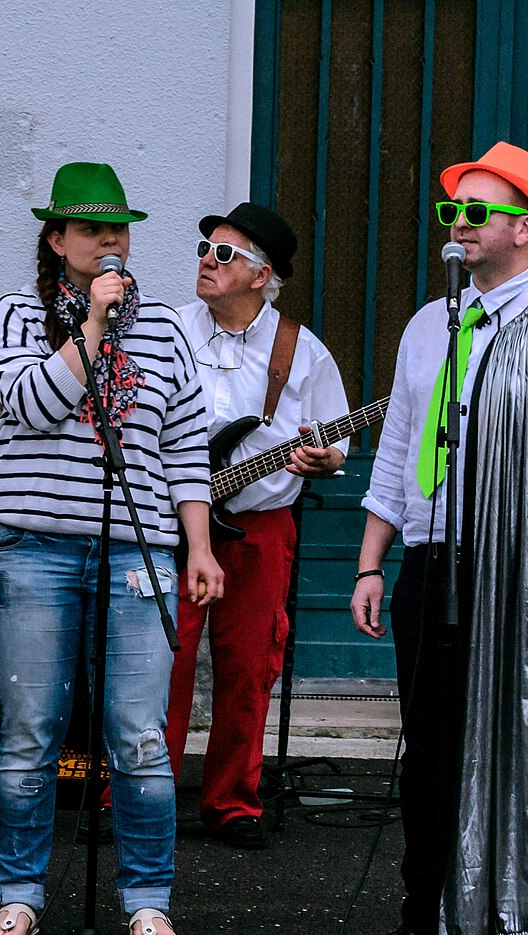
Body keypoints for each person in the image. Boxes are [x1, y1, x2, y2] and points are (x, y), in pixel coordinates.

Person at [350, 142, 528, 935]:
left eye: (476, 211)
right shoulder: (431, 324)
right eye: (449, 212)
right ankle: (422, 920)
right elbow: (396, 448)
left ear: (525, 228)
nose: (457, 225)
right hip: (432, 563)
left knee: (522, 740)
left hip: (526, 573)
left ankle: (520, 927)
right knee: (429, 752)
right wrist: (368, 564)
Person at [0, 162, 223, 935]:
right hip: (33, 551)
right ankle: (20, 895)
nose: (109, 240)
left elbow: (184, 445)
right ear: (55, 240)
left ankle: (146, 899)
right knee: (30, 732)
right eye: (90, 228)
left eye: (116, 228)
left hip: (139, 551)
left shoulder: (165, 331)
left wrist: (200, 545)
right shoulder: (17, 313)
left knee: (139, 736)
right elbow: (30, 402)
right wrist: (87, 328)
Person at [164, 204, 349, 849]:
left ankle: (232, 803)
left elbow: (335, 443)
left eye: (223, 254)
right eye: (204, 249)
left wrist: (323, 458)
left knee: (248, 666)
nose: (205, 263)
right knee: (162, 660)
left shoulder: (302, 350)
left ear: (260, 275)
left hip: (262, 524)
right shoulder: (168, 332)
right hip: (173, 523)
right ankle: (139, 798)